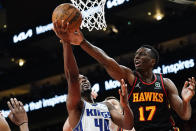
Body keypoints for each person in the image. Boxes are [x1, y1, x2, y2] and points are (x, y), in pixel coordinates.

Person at [54, 22, 196, 131]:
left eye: (142, 54)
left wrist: (186, 100)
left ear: (153, 61)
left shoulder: (165, 83)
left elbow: (185, 115)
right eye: (136, 55)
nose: (137, 57)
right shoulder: (130, 77)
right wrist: (83, 43)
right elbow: (107, 61)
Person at [53, 20, 134, 131]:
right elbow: (72, 77)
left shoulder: (106, 106)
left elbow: (128, 125)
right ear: (73, 89)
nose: (84, 80)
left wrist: (125, 104)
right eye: (80, 80)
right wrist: (66, 42)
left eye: (85, 78)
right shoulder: (76, 107)